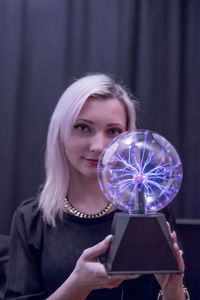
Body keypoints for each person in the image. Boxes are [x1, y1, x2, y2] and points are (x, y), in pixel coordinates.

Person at [5, 73, 188, 300]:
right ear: (60, 133)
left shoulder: (152, 210)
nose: (99, 146)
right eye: (83, 127)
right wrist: (77, 285)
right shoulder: (31, 219)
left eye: (113, 131)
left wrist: (173, 289)